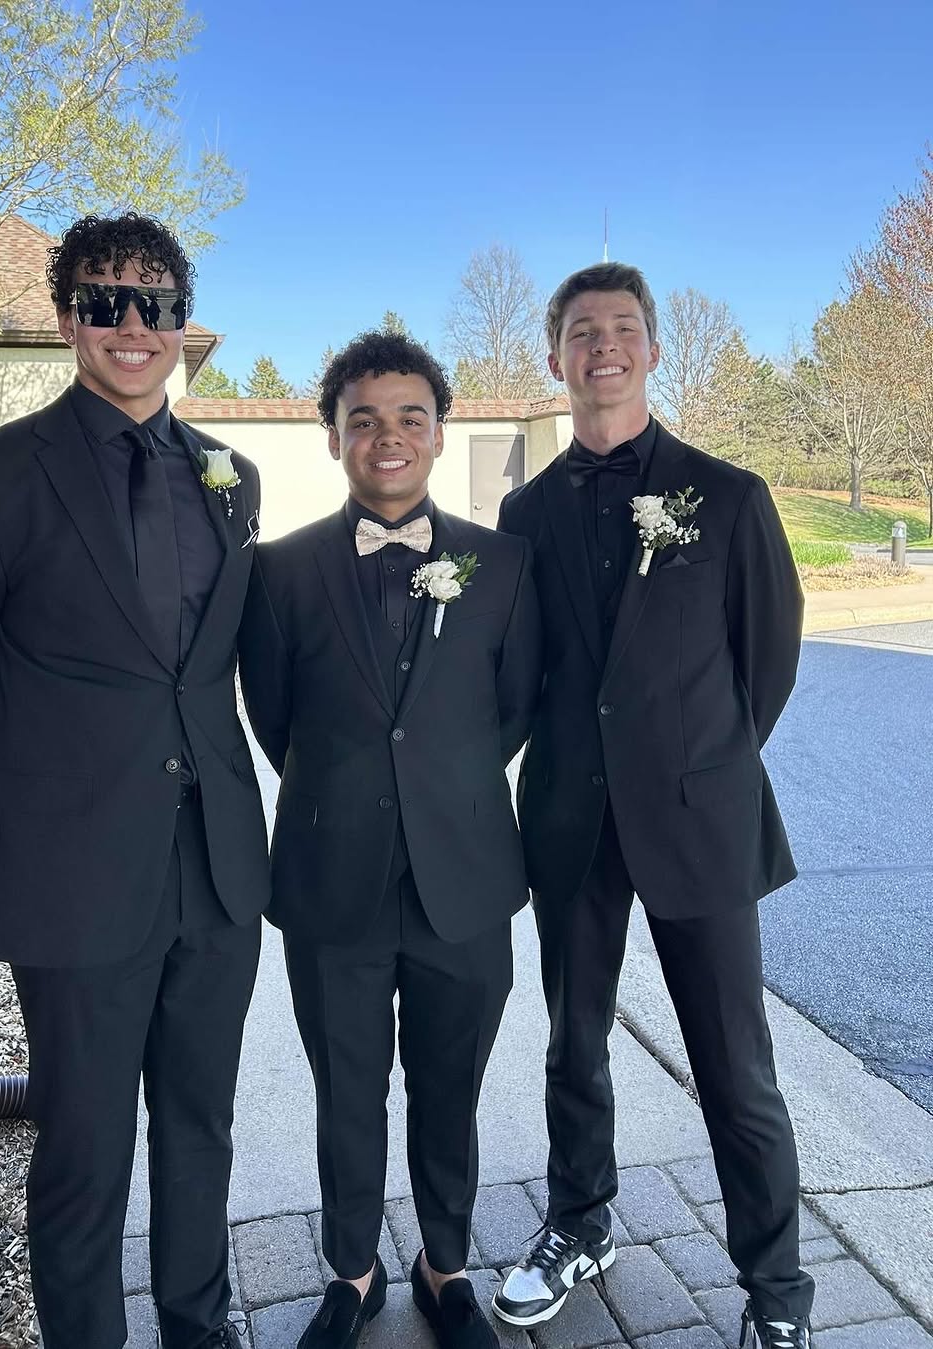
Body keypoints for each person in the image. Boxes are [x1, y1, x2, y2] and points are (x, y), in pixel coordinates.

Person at [0, 212, 269, 1349]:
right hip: (75, 880)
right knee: (84, 1152)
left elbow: (209, 670)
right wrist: (37, 814)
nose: (132, 324)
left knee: (201, 1131)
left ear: (181, 323)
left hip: (216, 871)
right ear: (69, 318)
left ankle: (198, 1327)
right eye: (106, 301)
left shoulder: (233, 478)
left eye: (156, 303)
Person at [492, 263, 814, 1349]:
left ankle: (777, 1291)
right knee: (572, 1044)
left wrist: (693, 763)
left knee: (736, 1065)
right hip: (570, 820)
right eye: (582, 331)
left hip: (696, 819)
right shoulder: (524, 512)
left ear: (654, 349)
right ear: (554, 357)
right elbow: (524, 670)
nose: (604, 346)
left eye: (623, 327)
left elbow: (764, 662)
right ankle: (579, 1222)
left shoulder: (729, 495)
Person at [239, 331, 542, 1349]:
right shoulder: (278, 571)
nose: (388, 437)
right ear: (333, 438)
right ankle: (353, 1272)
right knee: (347, 1092)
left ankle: (444, 1265)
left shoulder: (503, 565)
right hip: (334, 880)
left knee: (451, 1090)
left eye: (411, 416)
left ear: (440, 433)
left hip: (465, 877)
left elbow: (512, 709)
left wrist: (436, 783)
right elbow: (276, 719)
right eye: (362, 419)